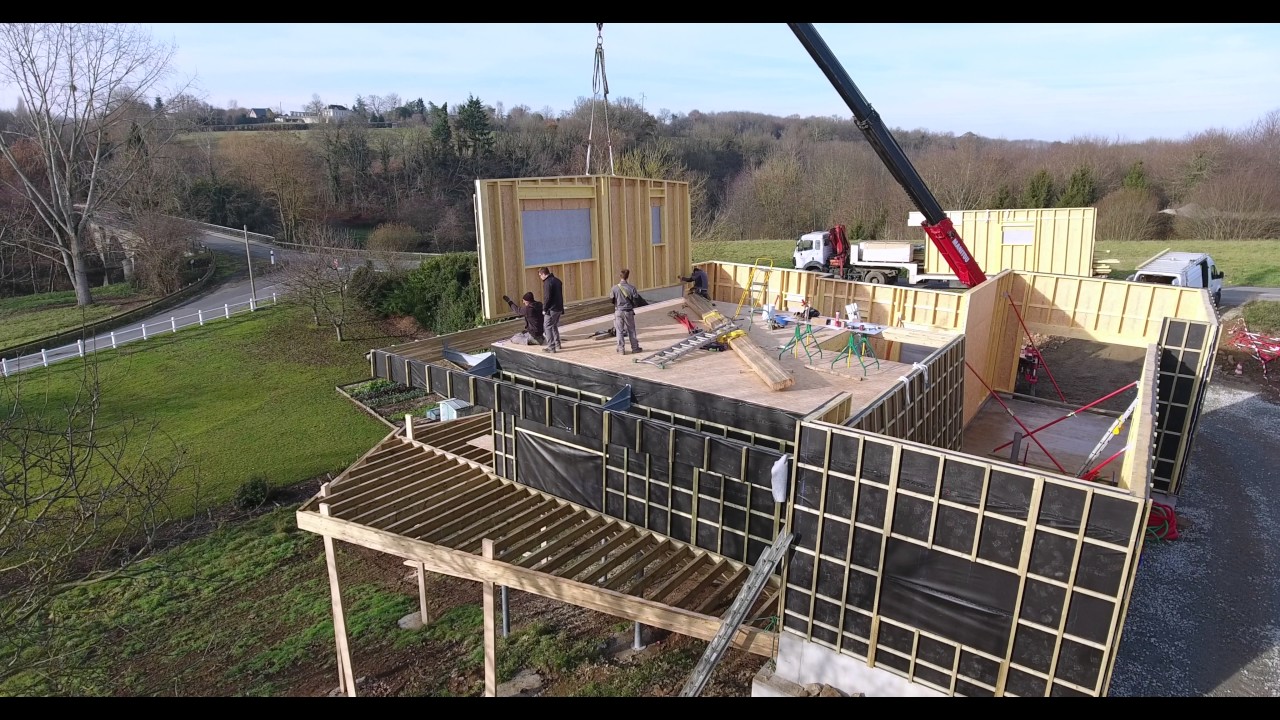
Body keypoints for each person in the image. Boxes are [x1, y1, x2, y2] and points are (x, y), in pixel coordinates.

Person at [609, 269, 644, 355]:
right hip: (628, 311)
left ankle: (621, 349)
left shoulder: (614, 288)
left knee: (619, 331)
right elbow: (636, 301)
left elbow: (611, 300)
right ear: (627, 277)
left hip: (618, 311)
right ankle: (635, 348)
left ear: (620, 276)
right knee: (631, 330)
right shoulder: (632, 288)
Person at [538, 267, 564, 353]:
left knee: (547, 327)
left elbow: (547, 297)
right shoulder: (557, 280)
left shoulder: (547, 282)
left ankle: (551, 348)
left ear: (543, 274)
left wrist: (544, 309)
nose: (540, 277)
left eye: (540, 275)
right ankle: (557, 344)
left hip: (551, 309)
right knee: (554, 325)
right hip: (559, 308)